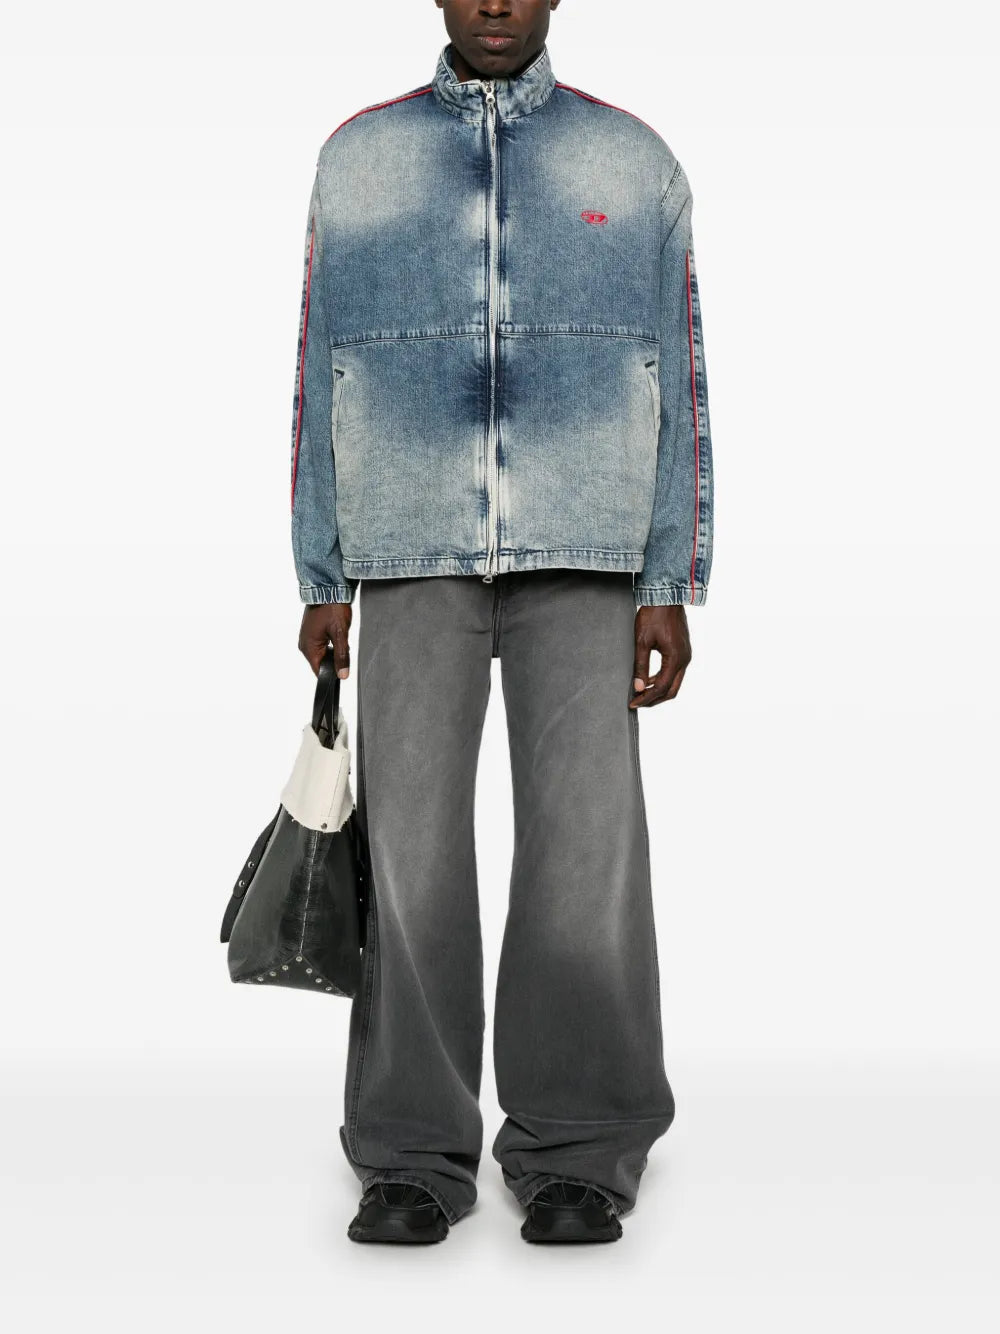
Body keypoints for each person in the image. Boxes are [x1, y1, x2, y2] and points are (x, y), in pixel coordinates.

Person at [289, 0, 714, 1245]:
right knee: (411, 859)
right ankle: (411, 1153)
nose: (493, 4)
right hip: (407, 541)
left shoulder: (630, 161)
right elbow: (317, 368)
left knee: (586, 857)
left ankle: (578, 1145)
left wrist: (668, 575)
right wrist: (320, 571)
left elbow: (678, 372)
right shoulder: (358, 159)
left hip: (586, 543)